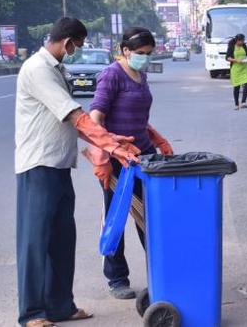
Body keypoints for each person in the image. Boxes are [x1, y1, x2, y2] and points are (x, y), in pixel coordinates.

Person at [15, 17, 140, 327]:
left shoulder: (57, 69)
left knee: (61, 240)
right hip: (37, 165)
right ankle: (31, 314)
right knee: (35, 241)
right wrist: (110, 144)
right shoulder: (37, 69)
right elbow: (75, 115)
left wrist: (111, 140)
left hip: (59, 165)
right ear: (67, 41)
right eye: (78, 46)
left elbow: (72, 122)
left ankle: (60, 306)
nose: (77, 52)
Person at [86, 27, 174, 300]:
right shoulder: (112, 75)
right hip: (116, 160)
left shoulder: (141, 75)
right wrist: (101, 157)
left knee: (148, 215)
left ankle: (159, 272)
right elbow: (95, 118)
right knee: (116, 218)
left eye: (149, 54)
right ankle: (117, 278)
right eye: (140, 53)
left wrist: (156, 137)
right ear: (125, 51)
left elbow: (135, 116)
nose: (145, 58)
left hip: (143, 155)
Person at [226, 34, 247, 110]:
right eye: (241, 41)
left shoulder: (244, 45)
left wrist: (246, 58)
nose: (242, 42)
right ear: (237, 41)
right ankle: (236, 104)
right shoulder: (231, 46)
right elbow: (227, 58)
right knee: (237, 86)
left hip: (245, 67)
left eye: (243, 41)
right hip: (236, 68)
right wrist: (236, 60)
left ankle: (243, 102)